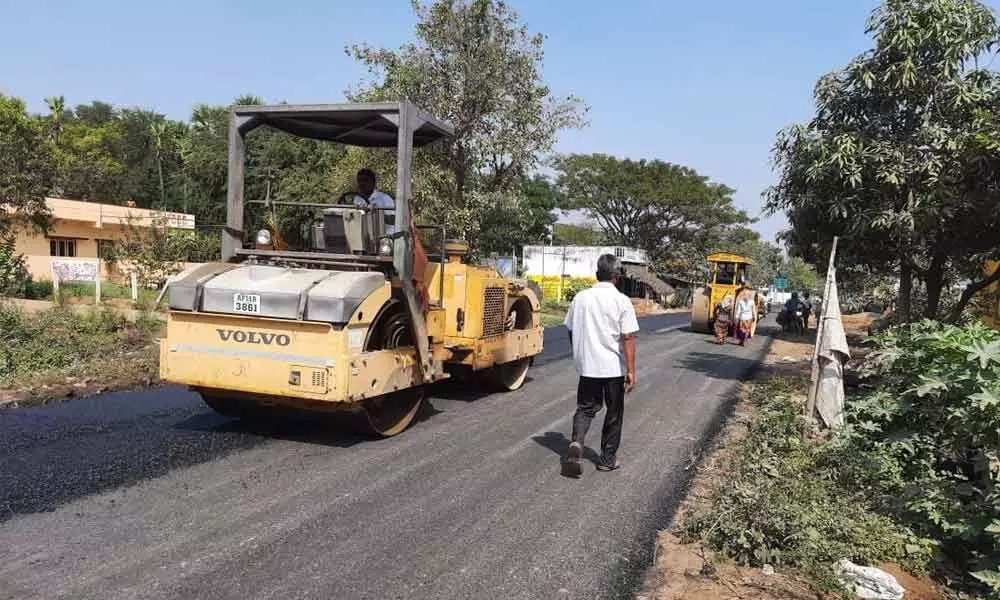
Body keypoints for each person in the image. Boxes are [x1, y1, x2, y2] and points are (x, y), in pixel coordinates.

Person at [563, 254, 639, 476]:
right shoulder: (622, 301)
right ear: (616, 277)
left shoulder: (580, 298)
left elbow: (570, 329)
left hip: (587, 367)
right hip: (612, 369)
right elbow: (628, 338)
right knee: (614, 412)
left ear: (598, 275)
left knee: (585, 408)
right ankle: (607, 459)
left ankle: (577, 442)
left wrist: (579, 353)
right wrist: (631, 371)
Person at [344, 168, 396, 234]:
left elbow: (393, 220)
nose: (362, 184)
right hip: (364, 234)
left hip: (384, 236)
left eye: (365, 180)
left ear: (373, 182)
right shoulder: (357, 199)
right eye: (359, 181)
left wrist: (375, 213)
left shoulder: (385, 199)